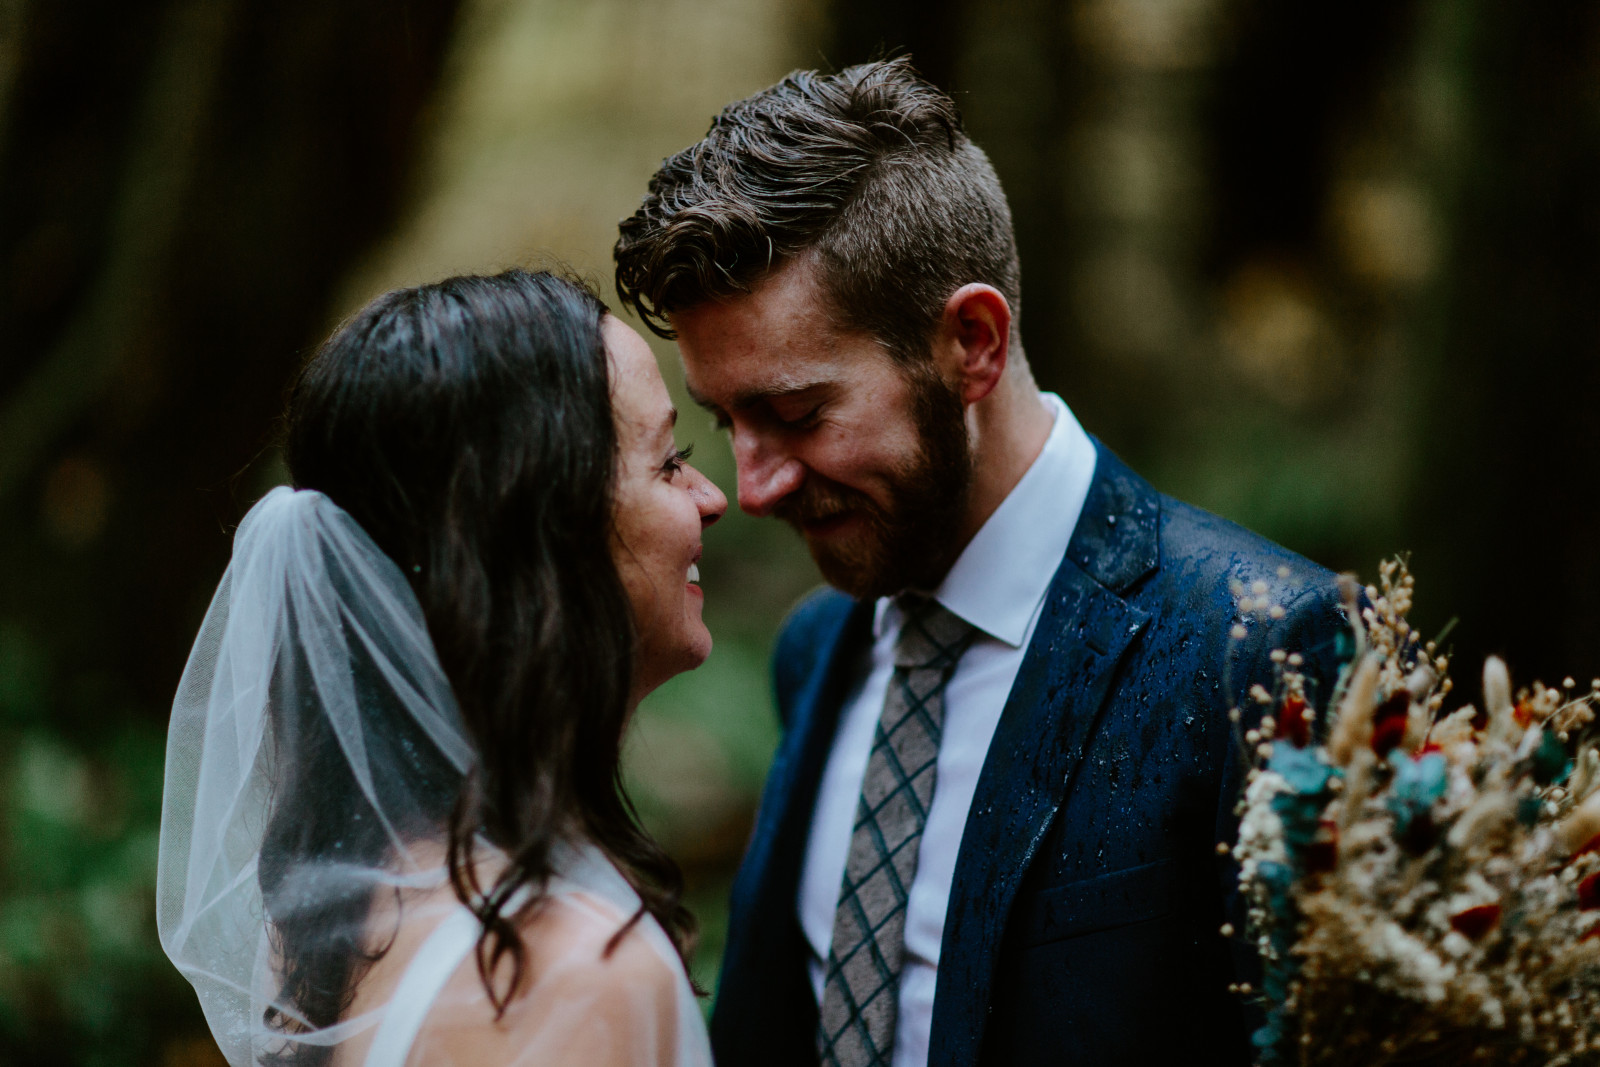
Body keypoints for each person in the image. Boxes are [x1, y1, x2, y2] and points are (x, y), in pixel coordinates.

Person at [613, 58, 1349, 1066]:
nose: (753, 488)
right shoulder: (815, 648)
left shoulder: (1257, 645)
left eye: (794, 414)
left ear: (972, 342)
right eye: (723, 421)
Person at [155, 270, 727, 1067]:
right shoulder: (577, 972)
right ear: (541, 540)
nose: (712, 496)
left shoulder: (335, 933)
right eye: (670, 460)